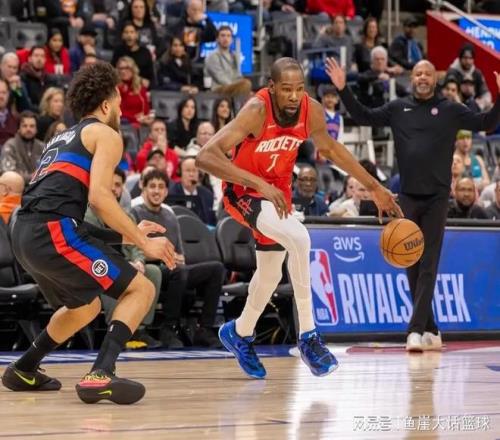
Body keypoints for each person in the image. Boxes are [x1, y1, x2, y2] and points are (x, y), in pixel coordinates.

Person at [196, 57, 401, 378]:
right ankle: (308, 335)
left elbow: (331, 150)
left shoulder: (311, 110)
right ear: (272, 88)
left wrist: (375, 187)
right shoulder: (256, 110)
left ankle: (238, 332)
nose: (294, 96)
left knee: (269, 275)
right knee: (300, 238)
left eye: (299, 89)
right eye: (286, 89)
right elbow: (205, 156)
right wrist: (259, 184)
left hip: (277, 193)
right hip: (244, 191)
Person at [1, 62, 175, 405]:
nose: (121, 111)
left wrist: (125, 236)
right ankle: (101, 374)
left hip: (24, 232)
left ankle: (24, 368)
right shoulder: (106, 134)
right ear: (106, 105)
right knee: (142, 288)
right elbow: (99, 198)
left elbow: (64, 214)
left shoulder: (60, 138)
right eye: (119, 103)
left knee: (85, 306)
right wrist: (144, 243)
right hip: (51, 231)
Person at [326, 57, 500, 352]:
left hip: (437, 198)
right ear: (412, 78)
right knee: (410, 262)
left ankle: (415, 330)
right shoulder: (398, 108)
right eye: (418, 73)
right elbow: (364, 116)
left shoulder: (450, 109)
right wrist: (343, 89)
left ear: (435, 79)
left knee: (428, 263)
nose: (422, 78)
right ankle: (431, 328)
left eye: (427, 74)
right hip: (407, 195)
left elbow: (487, 123)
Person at [204, 26, 252, 98]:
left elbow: (238, 75)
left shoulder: (234, 55)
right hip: (218, 88)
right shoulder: (213, 56)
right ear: (217, 39)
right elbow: (220, 77)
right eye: (223, 35)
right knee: (246, 84)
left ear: (232, 40)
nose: (225, 38)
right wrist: (237, 86)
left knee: (250, 89)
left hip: (232, 86)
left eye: (228, 36)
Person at [0, 111, 45, 183]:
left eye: (32, 126)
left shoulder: (42, 146)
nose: (28, 129)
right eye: (24, 126)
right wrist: (33, 177)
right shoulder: (10, 146)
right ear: (18, 128)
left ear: (36, 129)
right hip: (16, 186)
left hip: (39, 187)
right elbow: (8, 174)